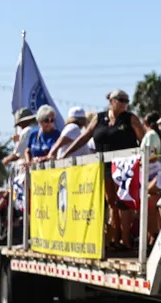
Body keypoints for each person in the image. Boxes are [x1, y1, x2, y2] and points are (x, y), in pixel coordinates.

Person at [63, 90, 147, 250]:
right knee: (111, 202)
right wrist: (68, 153)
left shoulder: (130, 118)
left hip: (125, 166)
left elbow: (143, 139)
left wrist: (146, 156)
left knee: (124, 202)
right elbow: (85, 136)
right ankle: (114, 240)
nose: (123, 103)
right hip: (104, 166)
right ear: (111, 101)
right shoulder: (100, 118)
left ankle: (126, 241)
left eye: (126, 100)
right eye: (120, 100)